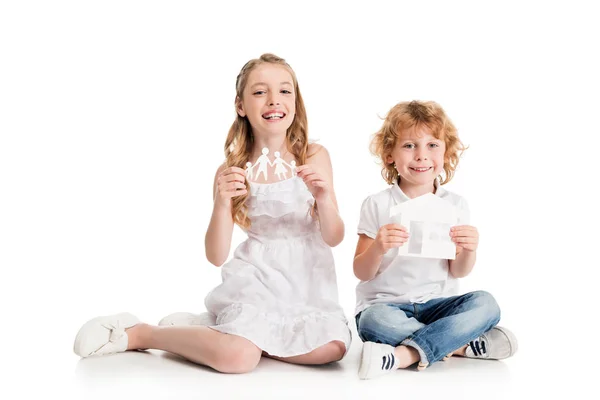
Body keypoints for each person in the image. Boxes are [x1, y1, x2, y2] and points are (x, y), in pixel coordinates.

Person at [73, 53, 351, 373]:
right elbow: (216, 256)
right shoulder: (232, 169)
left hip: (307, 283)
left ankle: (211, 335)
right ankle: (143, 333)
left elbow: (334, 237)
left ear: (296, 102)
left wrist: (325, 199)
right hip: (257, 281)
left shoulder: (314, 155)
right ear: (241, 106)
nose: (274, 100)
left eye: (285, 91)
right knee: (238, 359)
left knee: (331, 349)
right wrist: (221, 203)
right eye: (260, 92)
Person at [353, 100, 517, 380]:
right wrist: (379, 246)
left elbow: (458, 271)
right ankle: (461, 346)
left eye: (432, 145)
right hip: (387, 306)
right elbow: (361, 271)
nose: (421, 155)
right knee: (374, 322)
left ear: (446, 152)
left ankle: (404, 355)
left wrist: (469, 250)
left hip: (438, 306)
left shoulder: (455, 205)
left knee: (487, 304)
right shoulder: (377, 204)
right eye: (409, 146)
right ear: (390, 154)